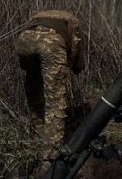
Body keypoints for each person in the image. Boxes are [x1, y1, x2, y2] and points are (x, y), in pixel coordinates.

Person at [14, 10, 86, 146]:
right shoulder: (71, 19)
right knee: (55, 100)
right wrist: (77, 66)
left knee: (34, 88)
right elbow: (76, 45)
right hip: (50, 44)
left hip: (24, 41)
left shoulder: (37, 16)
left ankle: (38, 137)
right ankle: (52, 154)